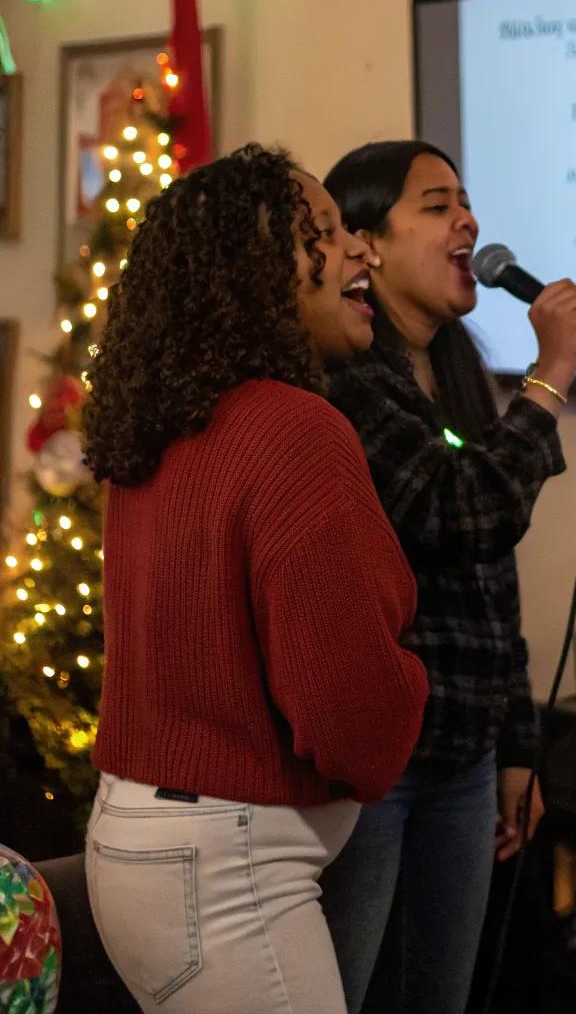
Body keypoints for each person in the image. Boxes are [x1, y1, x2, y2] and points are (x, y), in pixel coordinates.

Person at [83, 144, 429, 1014]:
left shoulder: (162, 420)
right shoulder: (295, 429)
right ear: (253, 272)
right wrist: (412, 680)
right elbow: (352, 715)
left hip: (138, 844)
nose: (363, 252)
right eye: (327, 233)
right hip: (225, 875)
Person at [319, 139, 576, 1014]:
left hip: (467, 759)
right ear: (365, 243)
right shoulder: (348, 382)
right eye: (437, 206)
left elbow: (491, 570)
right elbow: (460, 511)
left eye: (466, 203)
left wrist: (516, 742)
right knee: (356, 994)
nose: (467, 221)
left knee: (439, 997)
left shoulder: (456, 370)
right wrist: (552, 375)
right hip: (383, 765)